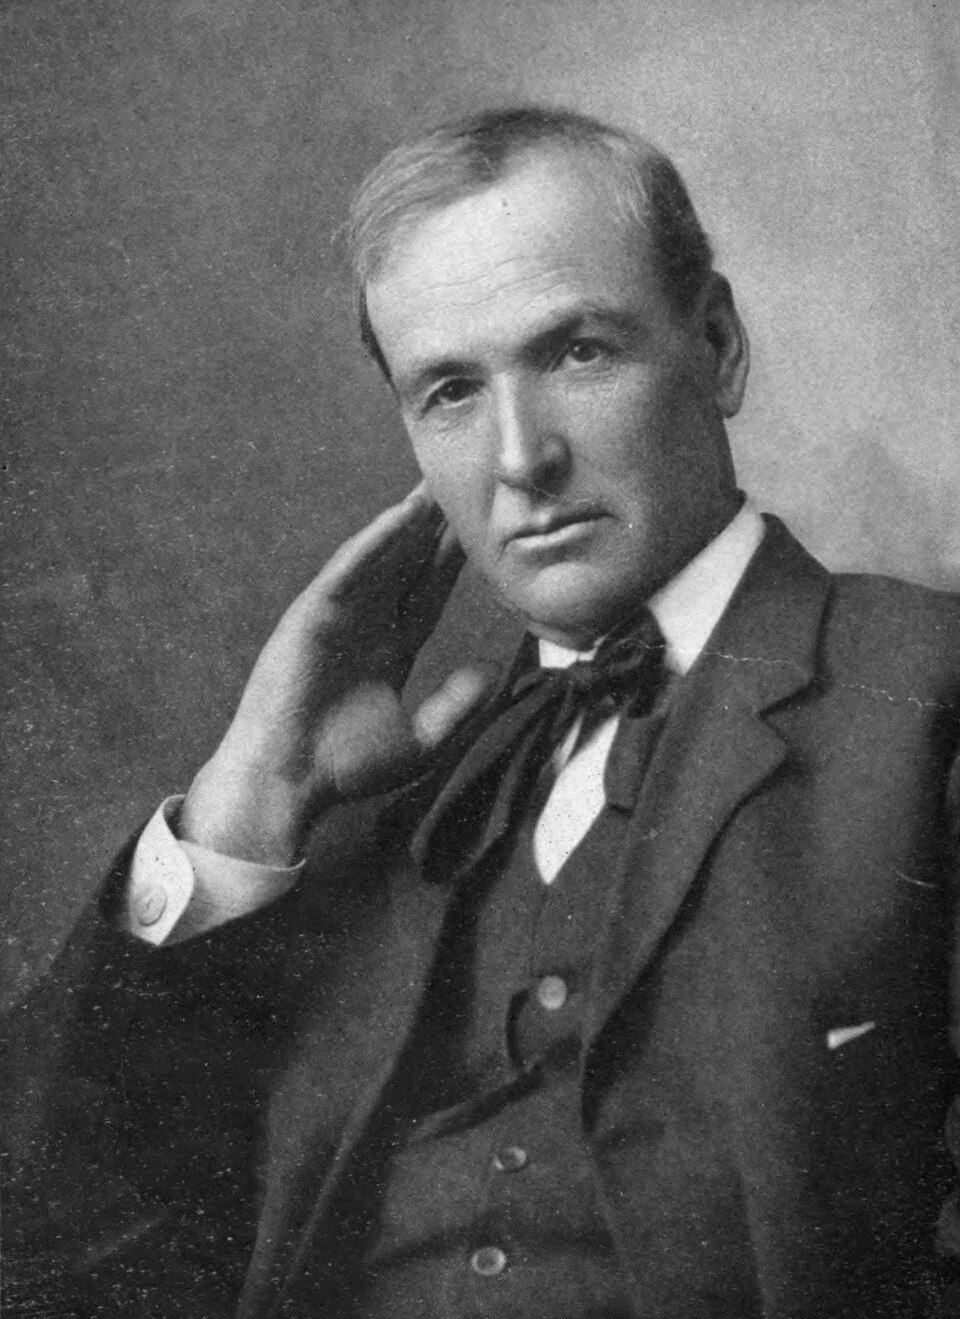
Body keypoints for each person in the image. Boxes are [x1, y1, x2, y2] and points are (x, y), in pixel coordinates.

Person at [3, 104, 960, 1318]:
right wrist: (248, 800)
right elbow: (50, 1245)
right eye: (450, 391)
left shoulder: (924, 690)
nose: (520, 458)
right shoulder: (381, 790)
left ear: (717, 346)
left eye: (578, 353)